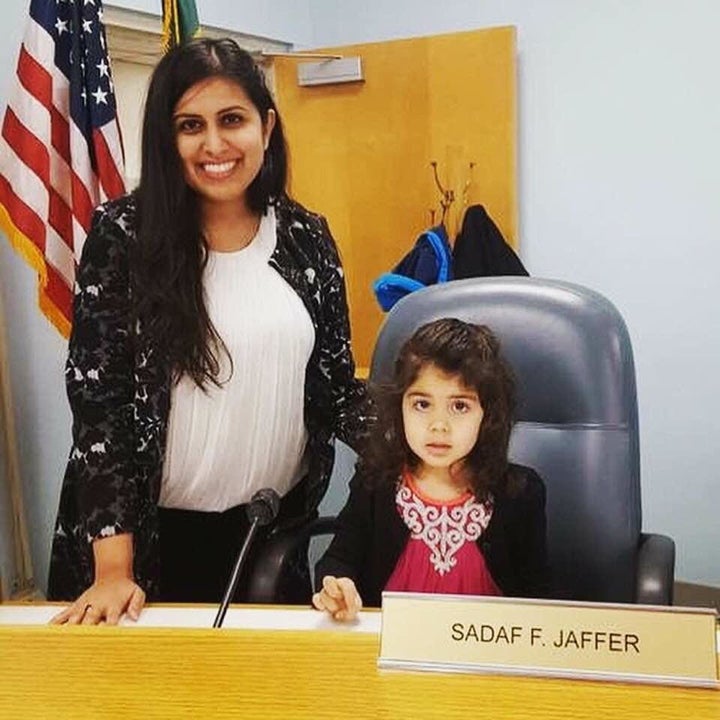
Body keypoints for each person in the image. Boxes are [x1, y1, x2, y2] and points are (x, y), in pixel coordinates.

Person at [48, 37, 368, 624]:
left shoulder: (307, 237)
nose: (215, 144)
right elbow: (102, 408)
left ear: (266, 128)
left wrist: (428, 443)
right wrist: (114, 570)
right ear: (166, 140)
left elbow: (337, 388)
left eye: (233, 120)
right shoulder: (123, 236)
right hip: (141, 547)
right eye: (190, 125)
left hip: (269, 537)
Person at [312, 318, 549, 622]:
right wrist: (336, 586)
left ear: (487, 416)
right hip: (388, 653)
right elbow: (339, 560)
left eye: (460, 406)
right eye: (422, 404)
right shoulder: (376, 481)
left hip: (484, 659)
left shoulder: (521, 494)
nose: (439, 425)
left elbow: (539, 600)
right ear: (400, 408)